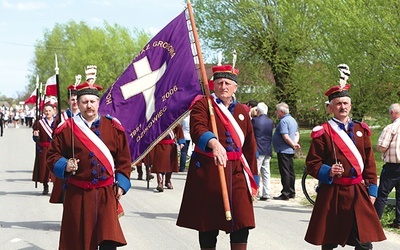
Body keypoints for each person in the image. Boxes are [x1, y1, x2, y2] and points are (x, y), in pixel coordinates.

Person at [47, 65, 132, 250]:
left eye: (92, 101)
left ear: (98, 103)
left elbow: (124, 160)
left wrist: (122, 185)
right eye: (85, 102)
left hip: (105, 195)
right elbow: (52, 156)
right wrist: (65, 165)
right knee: (78, 243)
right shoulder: (67, 129)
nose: (89, 106)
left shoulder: (113, 127)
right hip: (77, 195)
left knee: (108, 243)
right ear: (78, 103)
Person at [177, 64, 258, 250]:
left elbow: (250, 147)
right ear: (213, 85)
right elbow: (198, 129)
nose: (223, 86)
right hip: (209, 171)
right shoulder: (203, 105)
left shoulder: (243, 111)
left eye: (227, 83)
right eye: (219, 82)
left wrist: (253, 178)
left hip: (237, 173)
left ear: (235, 87)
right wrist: (213, 143)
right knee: (208, 225)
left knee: (242, 222)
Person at [304, 65, 386, 249]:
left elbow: (370, 163)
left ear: (350, 105)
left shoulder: (360, 130)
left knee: (364, 242)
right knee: (329, 240)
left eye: (345, 103)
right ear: (331, 107)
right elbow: (312, 163)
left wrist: (372, 191)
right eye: (338, 104)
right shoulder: (323, 132)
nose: (342, 107)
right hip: (332, 192)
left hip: (358, 191)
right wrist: (328, 171)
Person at [49, 78, 81, 204]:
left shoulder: (83, 117)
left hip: (79, 155)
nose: (74, 102)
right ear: (68, 101)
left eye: (76, 99)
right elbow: (54, 135)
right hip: (65, 155)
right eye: (71, 99)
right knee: (66, 190)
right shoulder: (61, 117)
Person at [375, 103, 400, 229]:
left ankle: (375, 220)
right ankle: (398, 222)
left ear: (392, 113)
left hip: (392, 166)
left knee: (382, 194)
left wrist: (377, 148)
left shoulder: (390, 128)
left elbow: (383, 146)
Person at [272, 102, 300, 200]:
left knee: (285, 172)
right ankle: (291, 191)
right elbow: (296, 133)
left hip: (284, 149)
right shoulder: (292, 120)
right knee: (290, 171)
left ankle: (285, 193)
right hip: (289, 149)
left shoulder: (283, 121)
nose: (276, 112)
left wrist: (292, 144)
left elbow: (285, 136)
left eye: (277, 111)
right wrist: (295, 143)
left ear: (282, 112)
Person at [32, 102, 57, 195]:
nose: (47, 112)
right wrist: (35, 136)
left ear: (53, 111)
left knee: (55, 167)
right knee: (44, 168)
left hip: (55, 147)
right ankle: (45, 186)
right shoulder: (39, 123)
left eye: (49, 110)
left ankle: (56, 187)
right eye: (46, 111)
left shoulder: (57, 121)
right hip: (43, 148)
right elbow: (35, 138)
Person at [151, 124, 185, 192]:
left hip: (171, 146)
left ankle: (168, 181)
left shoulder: (174, 121)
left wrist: (181, 142)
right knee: (160, 166)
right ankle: (160, 183)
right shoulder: (158, 120)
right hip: (159, 145)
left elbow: (179, 131)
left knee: (170, 165)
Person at [252, 102, 274, 201]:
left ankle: (255, 191)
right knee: (266, 172)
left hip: (258, 148)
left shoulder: (255, 121)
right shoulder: (270, 122)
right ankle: (267, 193)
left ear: (258, 110)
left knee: (256, 171)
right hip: (267, 148)